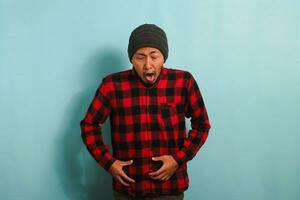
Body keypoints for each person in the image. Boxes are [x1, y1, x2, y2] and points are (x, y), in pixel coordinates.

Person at [80, 24, 211, 200]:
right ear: (131, 59)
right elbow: (89, 125)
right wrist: (109, 163)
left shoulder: (183, 82)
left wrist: (178, 159)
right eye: (140, 57)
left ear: (163, 57)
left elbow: (202, 125)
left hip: (169, 188)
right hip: (128, 189)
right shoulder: (112, 86)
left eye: (154, 56)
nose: (148, 64)